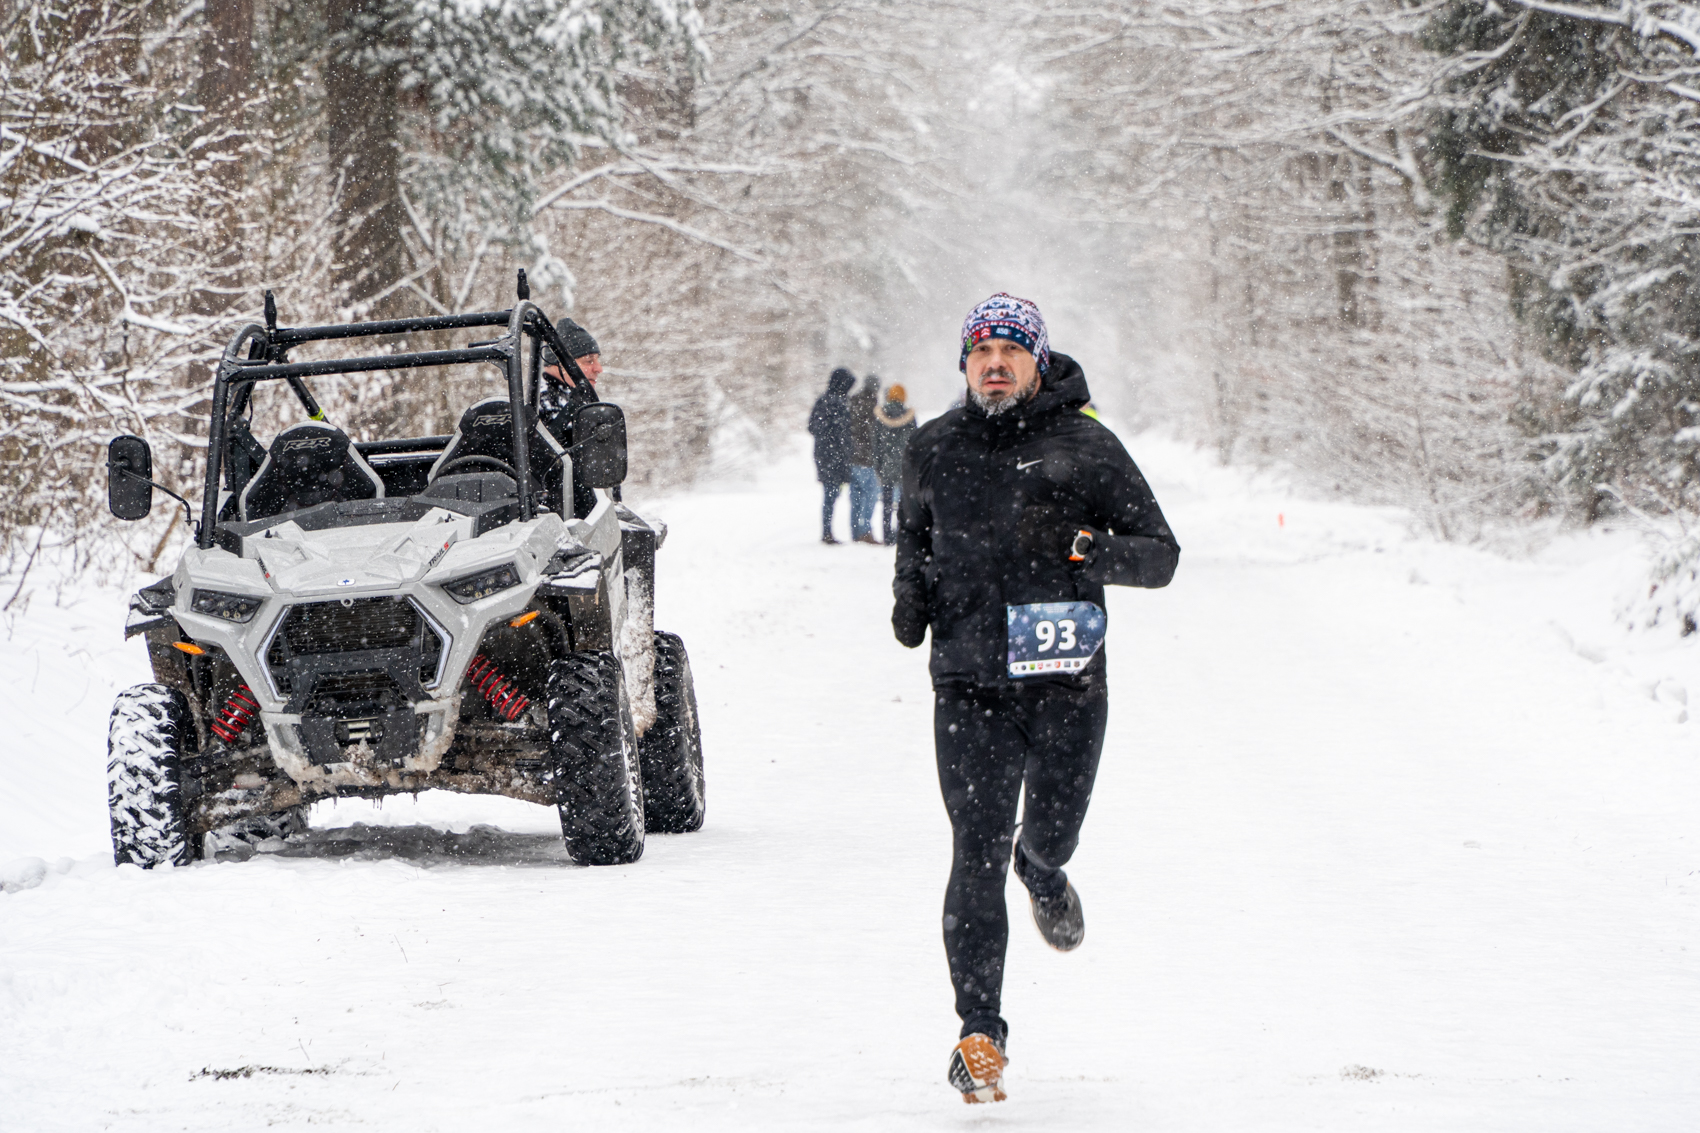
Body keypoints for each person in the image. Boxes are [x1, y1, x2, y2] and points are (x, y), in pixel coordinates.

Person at [891, 292, 1180, 1105]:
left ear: (1037, 362)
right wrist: (909, 595)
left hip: (1066, 688)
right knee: (972, 853)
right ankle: (979, 1031)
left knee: (1046, 835)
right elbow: (912, 531)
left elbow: (1162, 555)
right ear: (963, 364)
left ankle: (1044, 868)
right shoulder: (933, 447)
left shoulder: (1086, 445)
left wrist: (1091, 550)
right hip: (968, 685)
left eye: (1010, 350)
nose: (994, 361)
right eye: (980, 349)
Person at [538, 317, 602, 518]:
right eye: (589, 361)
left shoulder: (573, 400)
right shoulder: (543, 406)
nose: (598, 368)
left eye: (597, 360)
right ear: (560, 364)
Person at [808, 368, 857, 544]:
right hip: (832, 455)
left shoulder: (826, 401)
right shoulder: (836, 402)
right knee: (831, 494)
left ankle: (827, 531)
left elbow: (813, 427)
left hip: (827, 454)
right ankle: (827, 532)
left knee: (831, 493)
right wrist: (835, 434)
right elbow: (817, 427)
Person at [873, 383, 916, 544]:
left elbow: (876, 443)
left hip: (886, 465)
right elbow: (915, 442)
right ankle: (900, 533)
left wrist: (878, 464)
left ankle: (886, 534)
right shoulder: (910, 417)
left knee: (886, 503)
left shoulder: (881, 416)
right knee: (903, 503)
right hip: (904, 466)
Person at [847, 375, 881, 544]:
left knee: (855, 497)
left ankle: (854, 532)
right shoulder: (873, 404)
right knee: (870, 496)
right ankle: (865, 531)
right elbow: (872, 432)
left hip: (852, 456)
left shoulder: (853, 400)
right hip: (866, 458)